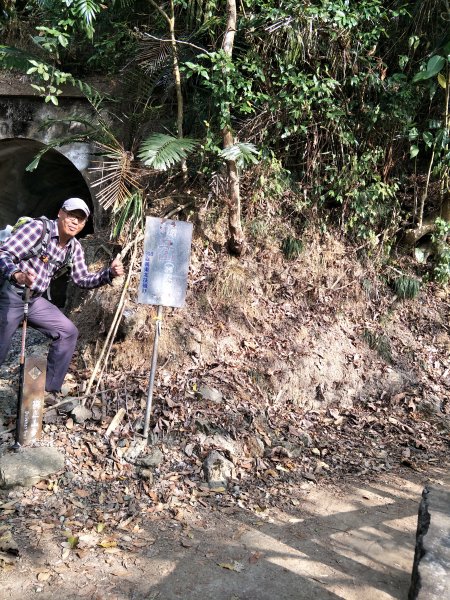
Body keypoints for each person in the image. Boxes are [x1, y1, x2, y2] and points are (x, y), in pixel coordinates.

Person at [0, 198, 124, 403]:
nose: (75, 222)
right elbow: (4, 253)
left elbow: (82, 279)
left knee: (67, 332)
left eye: (81, 219)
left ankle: (48, 391)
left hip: (35, 300)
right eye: (71, 215)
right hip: (13, 294)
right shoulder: (38, 229)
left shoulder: (74, 247)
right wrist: (17, 274)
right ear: (60, 213)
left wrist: (108, 274)